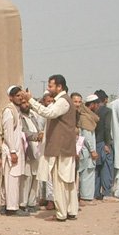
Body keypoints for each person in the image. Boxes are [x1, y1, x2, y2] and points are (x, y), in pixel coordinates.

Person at [26, 75, 79, 221]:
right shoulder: (62, 100)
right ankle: (70, 210)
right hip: (64, 147)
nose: (48, 89)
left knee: (60, 182)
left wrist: (30, 100)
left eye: (51, 86)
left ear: (59, 87)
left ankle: (62, 213)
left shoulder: (62, 101)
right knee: (67, 182)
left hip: (61, 148)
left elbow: (49, 113)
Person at [1, 86, 29, 216]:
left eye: (21, 95)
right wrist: (12, 151)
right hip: (12, 150)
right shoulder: (9, 111)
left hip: (18, 149)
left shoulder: (17, 110)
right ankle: (11, 207)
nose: (20, 98)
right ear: (11, 97)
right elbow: (8, 133)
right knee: (11, 179)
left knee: (16, 179)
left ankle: (14, 205)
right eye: (17, 96)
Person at [19, 94, 43, 213]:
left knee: (35, 177)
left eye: (27, 103)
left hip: (37, 150)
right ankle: (23, 204)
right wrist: (36, 136)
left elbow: (38, 128)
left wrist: (40, 134)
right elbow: (25, 132)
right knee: (26, 179)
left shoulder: (32, 115)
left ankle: (32, 202)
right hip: (27, 151)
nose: (26, 105)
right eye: (23, 103)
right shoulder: (19, 117)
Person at [77, 93, 100, 205]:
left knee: (88, 173)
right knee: (87, 173)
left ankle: (87, 197)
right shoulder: (85, 117)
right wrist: (92, 150)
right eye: (97, 104)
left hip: (88, 150)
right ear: (92, 105)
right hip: (86, 151)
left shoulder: (88, 116)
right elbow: (86, 136)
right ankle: (85, 198)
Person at [93, 90, 114, 201]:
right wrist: (107, 144)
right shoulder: (107, 111)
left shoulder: (92, 110)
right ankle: (106, 192)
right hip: (103, 142)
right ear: (105, 99)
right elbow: (107, 128)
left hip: (94, 142)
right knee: (106, 167)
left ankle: (95, 192)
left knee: (96, 169)